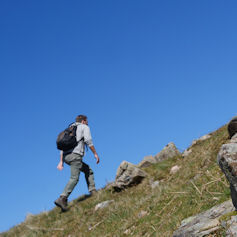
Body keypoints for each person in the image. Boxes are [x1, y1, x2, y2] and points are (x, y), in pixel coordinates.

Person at [54, 115, 100, 211]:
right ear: (83, 121)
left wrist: (61, 161)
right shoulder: (84, 127)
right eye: (87, 121)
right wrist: (95, 154)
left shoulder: (69, 129)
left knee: (88, 170)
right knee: (74, 178)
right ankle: (62, 198)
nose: (88, 123)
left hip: (67, 157)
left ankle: (93, 191)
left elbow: (62, 147)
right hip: (75, 156)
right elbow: (88, 141)